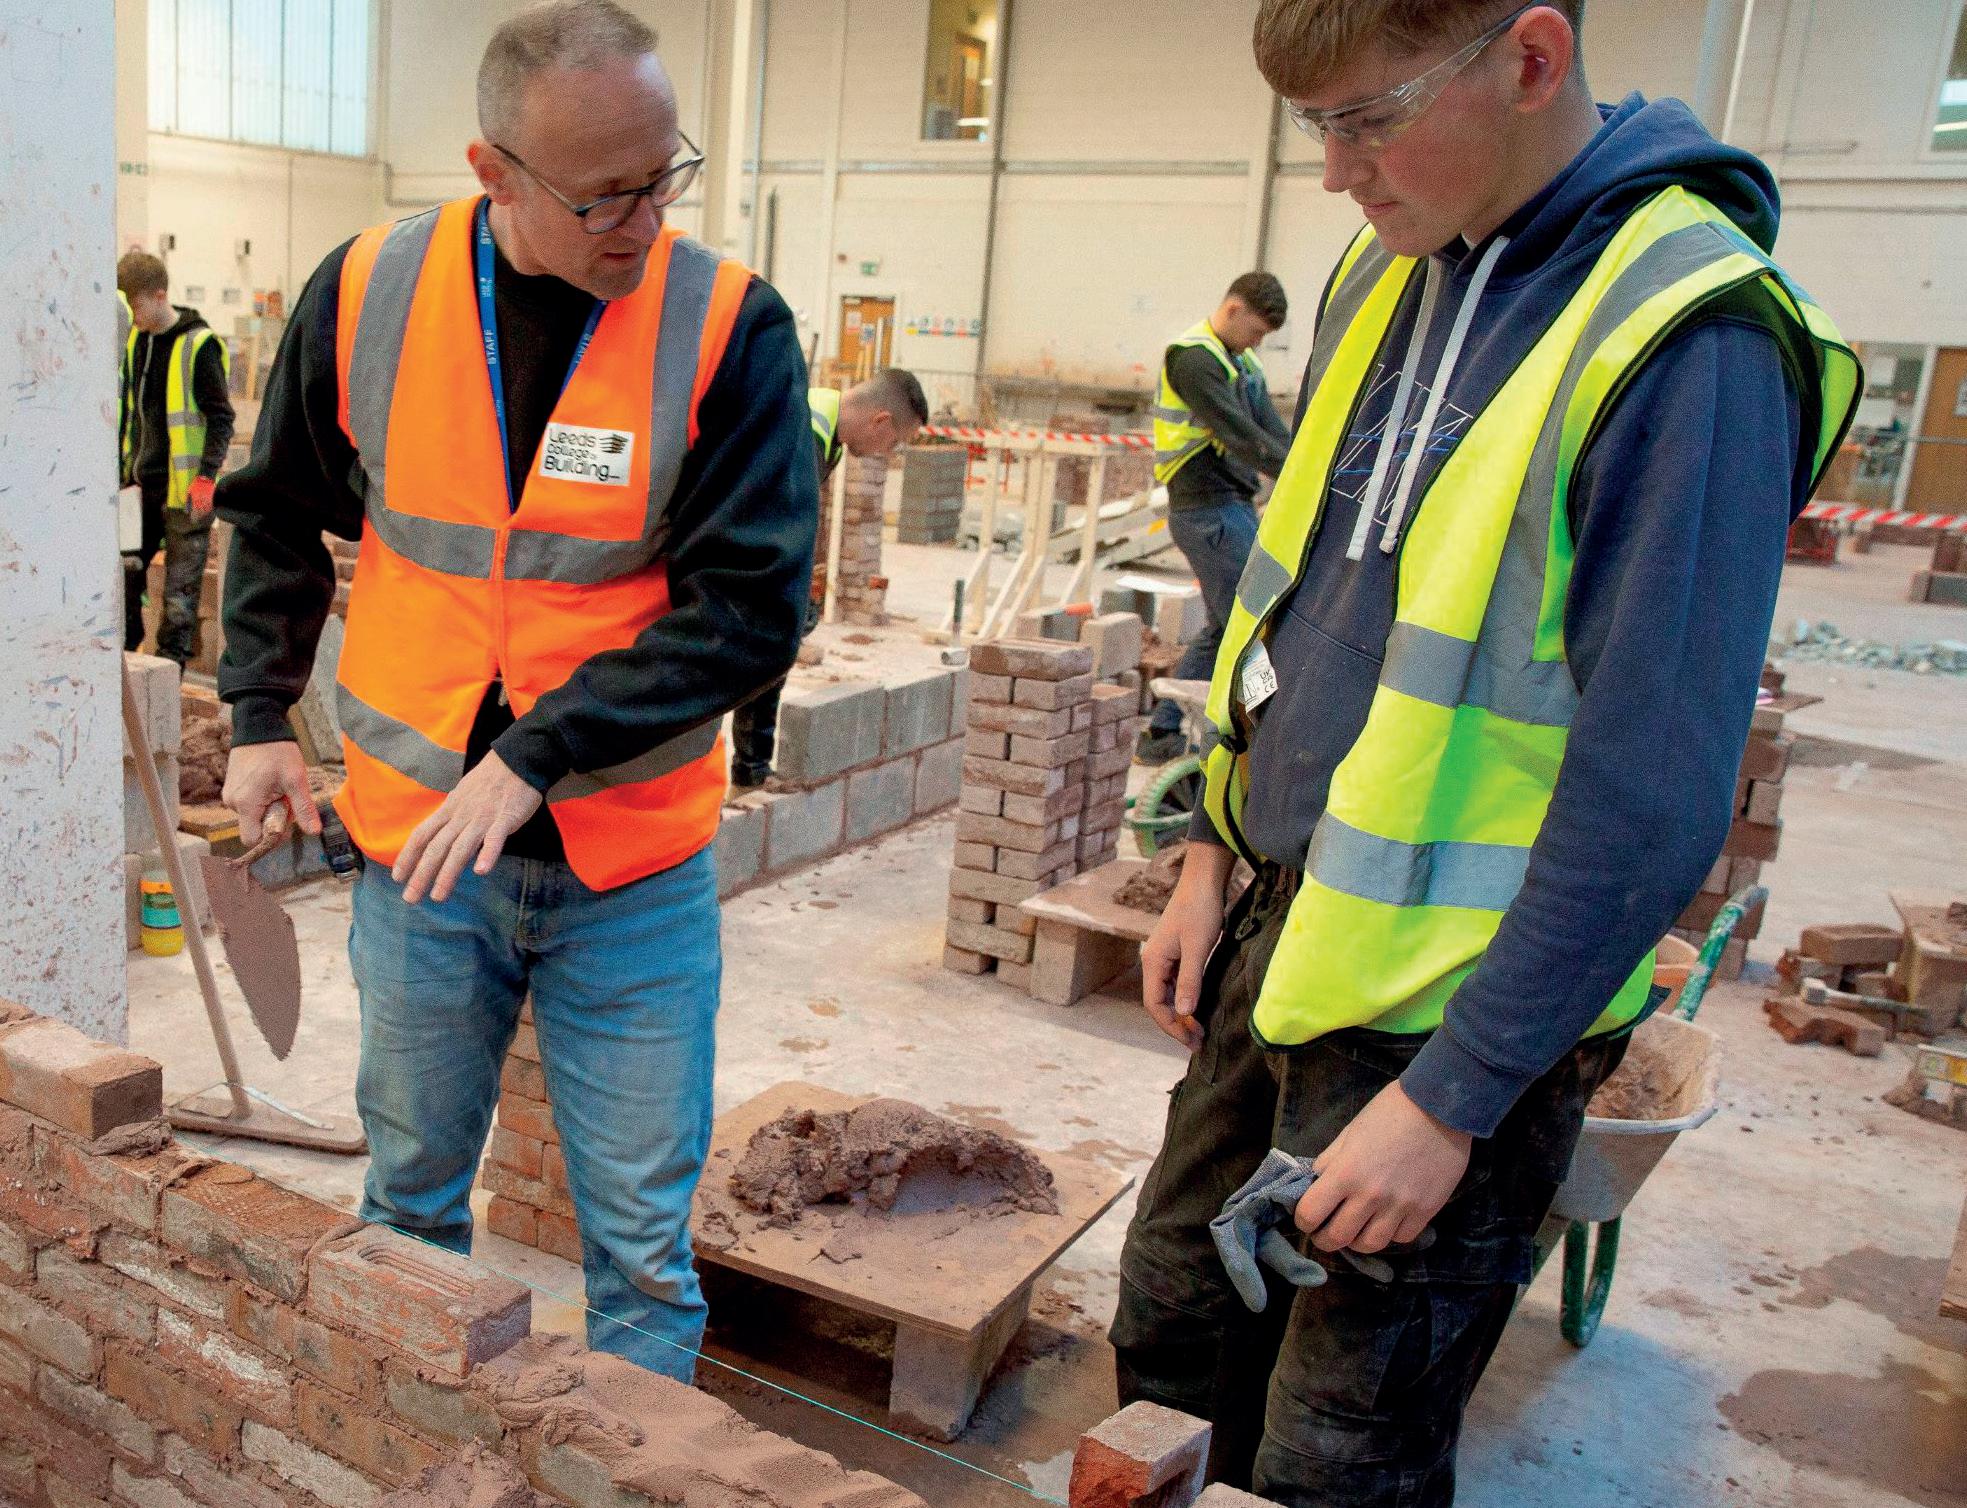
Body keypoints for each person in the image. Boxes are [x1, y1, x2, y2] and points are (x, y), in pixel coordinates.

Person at [1114, 3, 1857, 1503]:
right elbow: (1293, 602)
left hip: (1454, 1015)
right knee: (1171, 1346)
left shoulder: (1689, 339)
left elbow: (1650, 793)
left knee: (1335, 1457)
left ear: (1528, 59)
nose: (1335, 172)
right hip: (1283, 935)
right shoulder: (1387, 264)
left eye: (1367, 119)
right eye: (1313, 126)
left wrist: (1455, 1096)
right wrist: (1210, 847)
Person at [215, 0, 818, 1381]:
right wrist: (256, 714)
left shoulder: (726, 325)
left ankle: (628, 1465)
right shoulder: (369, 290)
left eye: (665, 176)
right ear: (493, 170)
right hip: (421, 857)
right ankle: (404, 1447)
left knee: (643, 1253)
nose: (645, 222)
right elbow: (275, 509)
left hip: (630, 868)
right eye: (605, 195)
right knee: (408, 1211)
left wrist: (537, 753)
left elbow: (751, 610)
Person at [728, 368, 928, 790]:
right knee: (761, 647)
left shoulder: (826, 425)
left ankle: (750, 770)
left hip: (747, 547)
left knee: (776, 642)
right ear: (880, 421)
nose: (888, 453)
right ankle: (742, 771)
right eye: (894, 442)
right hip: (729, 550)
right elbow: (773, 517)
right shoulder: (808, 428)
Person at [1136, 271, 1292, 765]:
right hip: (1205, 509)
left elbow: (1270, 429)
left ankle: (1162, 732)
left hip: (1230, 507)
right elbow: (1240, 434)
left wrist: (1309, 463)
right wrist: (1296, 476)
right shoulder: (1192, 359)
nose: (1258, 342)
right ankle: (1258, 731)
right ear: (1233, 310)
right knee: (1252, 621)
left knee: (1224, 626)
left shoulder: (1242, 361)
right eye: (1256, 331)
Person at [118, 250, 235, 666]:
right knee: (122, 584)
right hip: (138, 491)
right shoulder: (136, 341)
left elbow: (221, 418)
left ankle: (168, 682)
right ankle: (124, 668)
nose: (132, 316)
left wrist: (206, 478)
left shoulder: (198, 345)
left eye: (136, 306)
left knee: (179, 601)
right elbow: (128, 414)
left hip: (185, 495)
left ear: (159, 295)